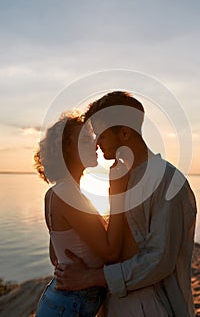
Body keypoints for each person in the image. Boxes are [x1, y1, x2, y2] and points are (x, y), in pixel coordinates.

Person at [55, 91, 197, 317]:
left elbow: (159, 260)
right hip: (117, 305)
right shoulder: (119, 178)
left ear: (124, 133)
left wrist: (90, 277)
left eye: (101, 135)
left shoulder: (168, 181)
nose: (97, 143)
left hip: (153, 307)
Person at [34, 112, 129, 317]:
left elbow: (55, 256)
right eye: (86, 140)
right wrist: (118, 193)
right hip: (69, 306)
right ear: (67, 148)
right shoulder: (68, 194)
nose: (96, 144)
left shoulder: (57, 192)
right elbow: (111, 251)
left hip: (61, 302)